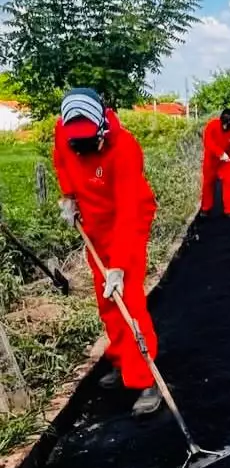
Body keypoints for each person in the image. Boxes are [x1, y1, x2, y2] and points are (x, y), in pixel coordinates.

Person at [52, 88, 161, 416]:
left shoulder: (124, 147)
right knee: (107, 300)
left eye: (90, 141)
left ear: (102, 128)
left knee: (129, 299)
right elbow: (62, 162)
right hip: (95, 226)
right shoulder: (64, 131)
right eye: (77, 143)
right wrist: (69, 197)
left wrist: (120, 265)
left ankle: (145, 379)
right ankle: (120, 359)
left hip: (127, 222)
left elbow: (129, 211)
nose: (84, 149)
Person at [200, 108, 230, 218]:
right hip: (211, 160)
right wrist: (220, 153)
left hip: (225, 161)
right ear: (221, 121)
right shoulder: (211, 125)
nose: (226, 127)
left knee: (229, 182)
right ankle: (206, 208)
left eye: (228, 125)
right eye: (224, 124)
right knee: (208, 184)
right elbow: (208, 142)